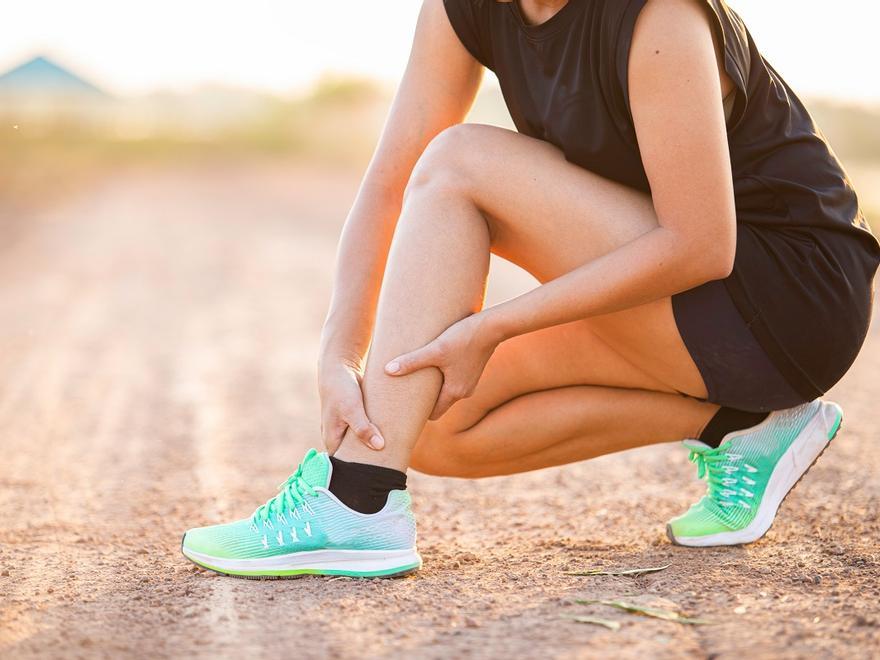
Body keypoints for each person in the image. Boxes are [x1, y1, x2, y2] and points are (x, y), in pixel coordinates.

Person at [181, 0, 879, 578]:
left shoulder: (660, 15)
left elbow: (700, 243)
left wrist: (493, 327)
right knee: (420, 424)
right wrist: (340, 351)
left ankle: (355, 501)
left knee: (460, 160)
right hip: (693, 312)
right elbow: (391, 177)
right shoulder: (464, 9)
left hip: (789, 297)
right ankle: (741, 427)